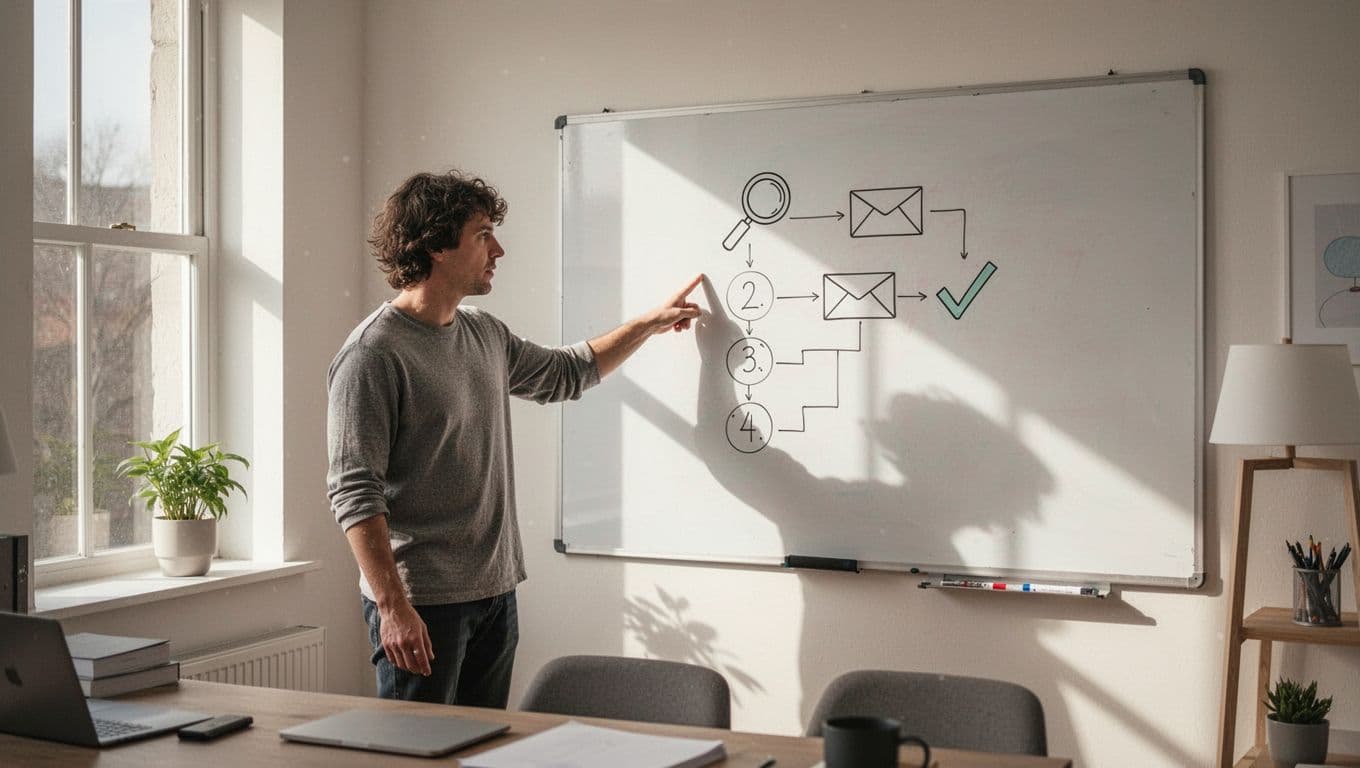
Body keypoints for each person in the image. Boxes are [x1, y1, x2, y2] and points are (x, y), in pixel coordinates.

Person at [326, 170, 702, 707]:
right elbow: (353, 492)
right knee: (415, 754)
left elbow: (567, 373)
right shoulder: (372, 355)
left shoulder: (483, 334)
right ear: (436, 245)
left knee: (483, 752)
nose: (497, 249)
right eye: (482, 234)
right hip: (423, 604)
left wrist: (650, 323)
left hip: (495, 594)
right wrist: (392, 607)